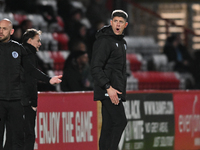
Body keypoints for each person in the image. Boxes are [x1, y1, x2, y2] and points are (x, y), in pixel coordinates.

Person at [0, 18, 62, 150]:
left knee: (18, 138)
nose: (1, 31)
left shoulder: (18, 48)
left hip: (16, 102)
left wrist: (48, 79)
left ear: (11, 31)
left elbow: (30, 70)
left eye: (4, 29)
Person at [90, 10, 128, 150]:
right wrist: (108, 87)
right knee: (120, 121)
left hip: (115, 89)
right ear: (111, 22)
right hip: (108, 90)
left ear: (125, 25)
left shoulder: (122, 42)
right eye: (115, 21)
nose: (118, 24)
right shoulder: (104, 41)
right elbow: (95, 67)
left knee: (108, 126)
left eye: (121, 22)